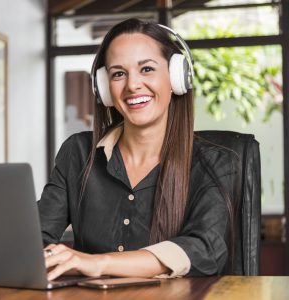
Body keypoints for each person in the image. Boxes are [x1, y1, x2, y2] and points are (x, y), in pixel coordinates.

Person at [38, 18, 238, 281]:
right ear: (105, 88)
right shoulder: (78, 152)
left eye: (146, 69)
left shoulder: (216, 163)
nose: (132, 85)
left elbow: (205, 249)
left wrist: (99, 263)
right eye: (118, 73)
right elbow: (36, 238)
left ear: (176, 77)